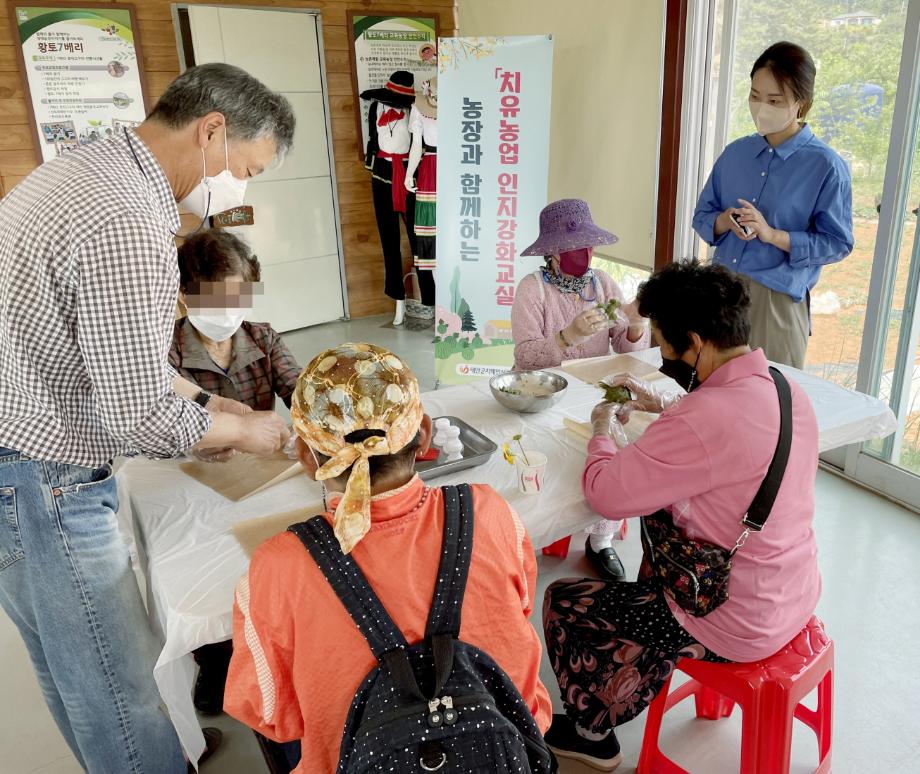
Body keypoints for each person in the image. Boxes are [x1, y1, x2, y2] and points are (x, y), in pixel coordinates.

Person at [0, 63, 294, 774]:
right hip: (49, 480)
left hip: (15, 462)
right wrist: (243, 430)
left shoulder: (85, 169)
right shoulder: (129, 221)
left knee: (72, 673)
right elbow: (137, 417)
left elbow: (104, 348)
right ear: (213, 130)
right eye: (246, 169)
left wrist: (204, 402)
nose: (237, 192)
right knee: (117, 688)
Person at [541, 261, 821, 771]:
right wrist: (668, 405)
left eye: (667, 349)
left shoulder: (705, 418)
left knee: (565, 600)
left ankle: (591, 734)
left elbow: (606, 494)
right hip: (791, 592)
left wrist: (603, 427)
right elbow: (728, 441)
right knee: (650, 575)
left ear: (695, 341)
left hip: (731, 616)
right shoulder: (785, 390)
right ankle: (643, 673)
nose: (665, 359)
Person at [224, 344, 552, 773]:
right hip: (505, 753)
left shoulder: (278, 565)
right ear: (425, 434)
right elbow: (520, 610)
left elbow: (270, 715)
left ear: (308, 457)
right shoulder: (491, 514)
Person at [170, 228, 302, 716]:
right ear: (186, 295)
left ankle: (276, 639)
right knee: (204, 569)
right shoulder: (166, 353)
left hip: (263, 475)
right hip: (192, 478)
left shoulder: (261, 338)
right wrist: (206, 440)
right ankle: (215, 658)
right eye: (216, 296)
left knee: (273, 558)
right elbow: (164, 419)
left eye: (238, 295)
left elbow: (301, 389)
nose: (229, 308)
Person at [512, 198, 650, 582]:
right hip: (544, 391)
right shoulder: (532, 289)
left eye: (588, 246)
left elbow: (625, 347)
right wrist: (566, 336)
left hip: (594, 388)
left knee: (619, 445)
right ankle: (542, 529)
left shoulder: (603, 283)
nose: (583, 255)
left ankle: (600, 540)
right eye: (573, 248)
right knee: (553, 457)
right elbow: (524, 359)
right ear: (552, 253)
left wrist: (636, 323)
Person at [692, 41, 854, 369]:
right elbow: (702, 216)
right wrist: (724, 220)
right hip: (720, 295)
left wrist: (773, 235)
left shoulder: (825, 166)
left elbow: (837, 243)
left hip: (775, 302)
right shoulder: (735, 154)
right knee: (711, 402)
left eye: (775, 100)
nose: (761, 107)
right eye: (755, 96)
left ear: (801, 103)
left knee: (771, 409)